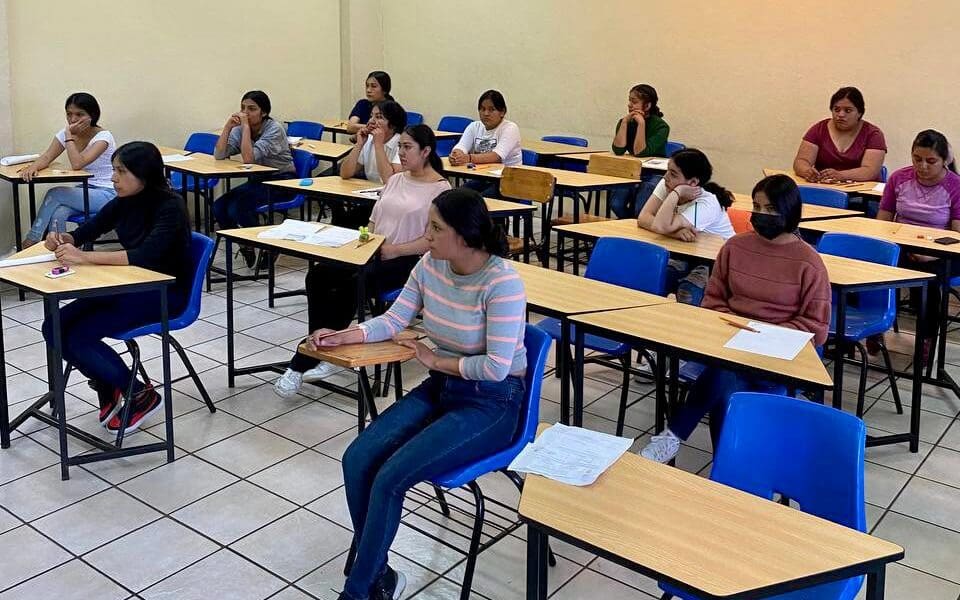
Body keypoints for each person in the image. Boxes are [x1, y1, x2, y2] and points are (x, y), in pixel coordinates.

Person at [315, 188, 526, 600]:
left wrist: (436, 360)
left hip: (492, 401)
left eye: (435, 228)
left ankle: (358, 592)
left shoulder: (502, 282)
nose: (426, 235)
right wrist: (345, 335)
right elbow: (395, 319)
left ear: (464, 236)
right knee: (357, 458)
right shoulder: (431, 264)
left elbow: (497, 367)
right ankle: (378, 576)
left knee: (390, 478)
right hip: (444, 387)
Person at [639, 175, 831, 463]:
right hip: (730, 340)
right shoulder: (735, 247)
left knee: (725, 378)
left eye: (770, 209)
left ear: (789, 212)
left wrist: (768, 335)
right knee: (728, 375)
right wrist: (736, 328)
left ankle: (674, 436)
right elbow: (713, 300)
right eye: (757, 207)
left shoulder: (809, 261)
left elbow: (816, 326)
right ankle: (725, 465)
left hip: (779, 352)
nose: (761, 215)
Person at [274, 124, 451, 397]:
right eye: (400, 147)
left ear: (426, 151)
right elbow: (374, 219)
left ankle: (305, 359)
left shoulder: (440, 189)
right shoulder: (396, 179)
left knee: (353, 285)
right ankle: (322, 349)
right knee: (318, 275)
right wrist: (364, 242)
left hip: (408, 260)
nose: (401, 153)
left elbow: (432, 240)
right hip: (374, 251)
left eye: (407, 147)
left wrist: (395, 250)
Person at [40, 141, 192, 434]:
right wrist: (62, 240)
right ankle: (107, 383)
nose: (113, 178)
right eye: (113, 170)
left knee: (80, 337)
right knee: (53, 326)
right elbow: (87, 231)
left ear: (144, 174)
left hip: (163, 292)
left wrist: (84, 257)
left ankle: (140, 393)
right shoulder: (124, 200)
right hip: (127, 285)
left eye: (121, 171)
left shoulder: (170, 205)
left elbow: (145, 255)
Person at [873, 129, 960, 363]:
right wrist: (894, 247)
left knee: (927, 280)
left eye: (931, 161)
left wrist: (930, 254)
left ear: (945, 160)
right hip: (903, 245)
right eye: (917, 159)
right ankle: (874, 325)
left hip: (943, 251)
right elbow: (882, 222)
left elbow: (957, 234)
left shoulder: (955, 186)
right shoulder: (898, 179)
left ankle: (926, 338)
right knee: (874, 267)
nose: (922, 166)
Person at [211, 90, 295, 267]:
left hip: (282, 181)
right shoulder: (240, 128)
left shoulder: (274, 129)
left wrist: (246, 128)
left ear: (263, 112)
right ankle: (246, 245)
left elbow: (249, 159)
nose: (245, 113)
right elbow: (219, 155)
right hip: (258, 180)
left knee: (237, 208)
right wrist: (227, 127)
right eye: (242, 108)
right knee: (219, 207)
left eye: (251, 109)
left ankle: (268, 245)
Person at [21, 92, 117, 247]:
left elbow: (77, 164)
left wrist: (68, 135)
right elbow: (47, 156)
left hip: (108, 193)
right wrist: (33, 167)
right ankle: (59, 251)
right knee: (59, 212)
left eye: (79, 114)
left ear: (92, 116)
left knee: (55, 193)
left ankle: (32, 240)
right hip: (85, 189)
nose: (73, 119)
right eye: (69, 114)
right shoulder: (66, 134)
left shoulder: (103, 137)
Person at [792, 86, 886, 183]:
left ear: (860, 113)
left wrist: (841, 175)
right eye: (836, 110)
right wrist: (807, 171)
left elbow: (870, 171)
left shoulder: (873, 134)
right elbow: (801, 161)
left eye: (848, 110)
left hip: (863, 191)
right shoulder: (818, 129)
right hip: (824, 187)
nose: (841, 115)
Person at [609, 84, 670, 217]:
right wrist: (624, 123)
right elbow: (618, 150)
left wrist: (641, 124)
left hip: (654, 173)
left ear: (647, 106)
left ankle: (637, 222)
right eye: (629, 100)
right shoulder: (626, 121)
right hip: (631, 170)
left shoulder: (661, 126)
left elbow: (640, 152)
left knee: (640, 208)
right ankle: (629, 223)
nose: (629, 105)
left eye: (634, 101)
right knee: (616, 204)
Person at [449, 90, 522, 197]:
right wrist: (456, 155)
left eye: (491, 109)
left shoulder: (510, 128)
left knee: (478, 201)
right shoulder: (474, 126)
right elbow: (462, 146)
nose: (486, 113)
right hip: (484, 178)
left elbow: (496, 156)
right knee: (455, 196)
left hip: (508, 181)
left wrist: (468, 158)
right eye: (482, 109)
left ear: (502, 112)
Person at [340, 101, 407, 184]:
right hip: (371, 189)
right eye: (371, 116)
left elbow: (390, 181)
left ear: (393, 125)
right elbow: (345, 174)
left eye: (378, 117)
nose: (371, 121)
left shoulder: (403, 145)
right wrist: (359, 144)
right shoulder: (369, 139)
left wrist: (378, 145)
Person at [345, 71, 393, 135]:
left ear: (385, 90)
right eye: (367, 86)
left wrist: (364, 128)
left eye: (373, 86)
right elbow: (350, 127)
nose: (368, 90)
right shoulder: (362, 104)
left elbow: (388, 130)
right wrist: (371, 128)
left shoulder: (392, 108)